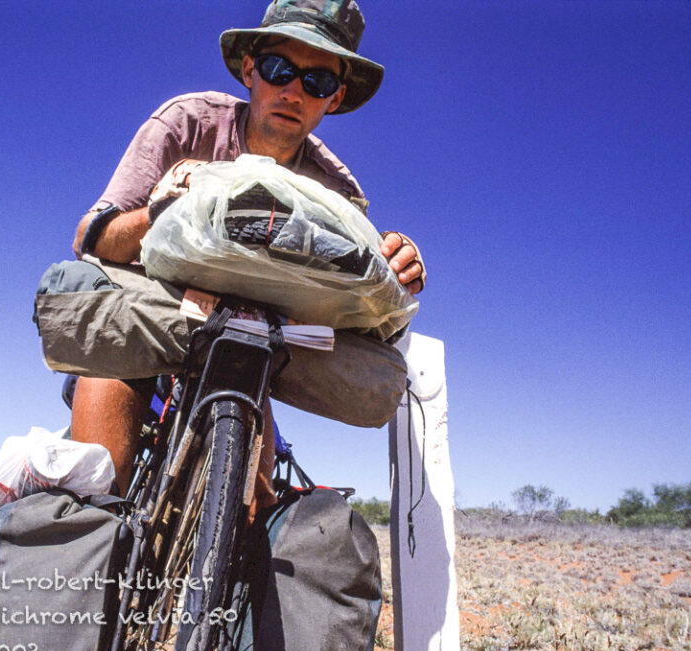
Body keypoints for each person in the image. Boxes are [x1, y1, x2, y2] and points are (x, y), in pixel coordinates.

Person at [67, 0, 426, 511]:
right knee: (99, 455)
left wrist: (395, 271)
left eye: (317, 82)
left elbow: (347, 308)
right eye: (280, 69)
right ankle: (86, 550)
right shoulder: (186, 124)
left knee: (253, 503)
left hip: (253, 350)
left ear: (335, 97)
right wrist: (165, 210)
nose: (293, 91)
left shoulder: (337, 191)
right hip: (150, 322)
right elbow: (92, 237)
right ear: (251, 69)